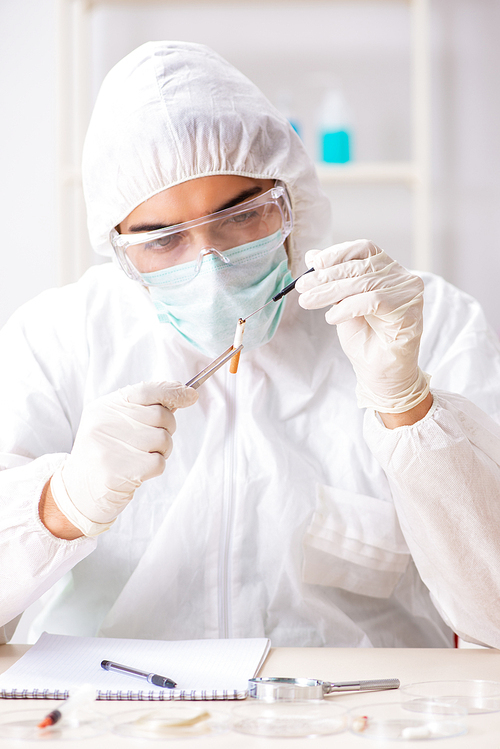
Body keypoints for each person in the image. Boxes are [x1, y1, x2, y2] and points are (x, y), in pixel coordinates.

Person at [2, 41, 500, 650]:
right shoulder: (59, 339)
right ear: (119, 249)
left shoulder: (424, 322)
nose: (210, 265)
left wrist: (409, 408)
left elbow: (494, 616)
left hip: (362, 717)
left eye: (240, 215)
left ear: (289, 197)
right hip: (121, 714)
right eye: (161, 239)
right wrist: (61, 505)